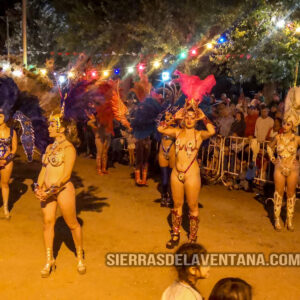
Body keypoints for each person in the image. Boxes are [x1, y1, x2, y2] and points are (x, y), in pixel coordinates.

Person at [158, 101, 215, 248]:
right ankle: (175, 234)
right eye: (187, 117)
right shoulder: (177, 132)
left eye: (192, 117)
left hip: (192, 173)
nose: (189, 120)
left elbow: (212, 131)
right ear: (183, 119)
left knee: (192, 205)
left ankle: (192, 237)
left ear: (195, 120)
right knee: (177, 204)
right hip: (176, 173)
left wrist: (203, 117)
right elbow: (160, 128)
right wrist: (173, 118)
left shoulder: (199, 135)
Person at [34, 113, 86, 277]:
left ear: (61, 128)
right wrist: (38, 187)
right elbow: (44, 170)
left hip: (63, 190)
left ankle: (79, 257)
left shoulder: (69, 149)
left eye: (52, 125)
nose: (48, 128)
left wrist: (50, 191)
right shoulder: (50, 148)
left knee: (72, 224)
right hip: (47, 192)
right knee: (48, 223)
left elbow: (66, 176)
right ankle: (49, 260)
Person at [267, 115, 300, 231]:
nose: (285, 126)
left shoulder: (297, 139)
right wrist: (272, 159)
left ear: (293, 126)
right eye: (284, 123)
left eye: (288, 124)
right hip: (280, 167)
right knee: (279, 192)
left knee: (291, 194)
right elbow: (269, 147)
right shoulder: (278, 137)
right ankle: (276, 220)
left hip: (292, 168)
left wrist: (299, 160)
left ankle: (289, 220)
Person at [0, 110, 17, 219]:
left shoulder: (12, 132)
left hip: (7, 161)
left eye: (0, 115)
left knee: (5, 184)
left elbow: (14, 149)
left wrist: (6, 160)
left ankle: (5, 207)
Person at [159, 111, 176, 207]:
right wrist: (168, 122)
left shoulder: (176, 128)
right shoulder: (162, 125)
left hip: (172, 154)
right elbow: (159, 129)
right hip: (162, 154)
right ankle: (164, 195)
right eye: (165, 115)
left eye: (169, 115)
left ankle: (171, 197)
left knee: (171, 179)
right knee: (164, 179)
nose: (166, 116)